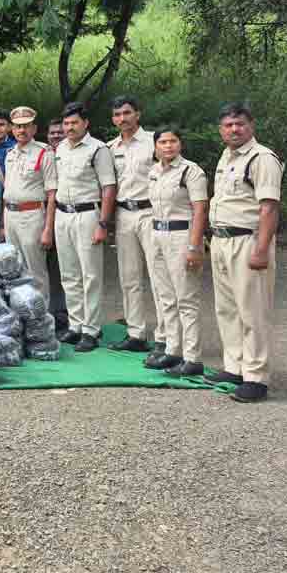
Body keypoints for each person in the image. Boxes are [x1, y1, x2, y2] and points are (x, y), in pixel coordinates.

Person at [206, 103, 283, 403]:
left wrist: (261, 249)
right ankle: (234, 366)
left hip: (248, 241)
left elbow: (269, 208)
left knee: (253, 311)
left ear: (251, 125)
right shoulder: (227, 157)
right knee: (227, 308)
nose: (234, 129)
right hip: (222, 240)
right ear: (221, 130)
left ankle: (256, 377)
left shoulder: (262, 158)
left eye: (239, 123)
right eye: (227, 125)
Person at [143, 130, 209, 377]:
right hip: (157, 234)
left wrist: (194, 246)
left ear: (180, 144)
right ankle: (172, 350)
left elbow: (200, 209)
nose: (168, 146)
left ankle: (192, 358)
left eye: (173, 141)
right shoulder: (154, 171)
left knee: (186, 298)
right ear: (156, 146)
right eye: (162, 142)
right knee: (165, 297)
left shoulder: (191, 171)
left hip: (182, 236)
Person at [53, 101, 117, 353]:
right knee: (69, 274)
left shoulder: (97, 149)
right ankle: (76, 324)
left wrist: (104, 223)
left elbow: (109, 187)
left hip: (87, 214)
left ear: (85, 123)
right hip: (62, 213)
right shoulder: (60, 149)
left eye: (74, 122)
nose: (69, 127)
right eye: (66, 123)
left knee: (90, 274)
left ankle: (91, 329)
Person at [105, 95, 162, 353]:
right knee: (129, 277)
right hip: (123, 215)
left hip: (151, 212)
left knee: (158, 275)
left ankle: (165, 336)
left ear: (137, 114)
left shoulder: (154, 142)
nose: (122, 119)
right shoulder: (110, 147)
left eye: (127, 113)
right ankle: (136, 333)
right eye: (117, 115)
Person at [1, 106, 57, 298]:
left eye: (26, 126)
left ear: (34, 129)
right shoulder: (10, 153)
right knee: (14, 269)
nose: (21, 130)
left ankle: (42, 321)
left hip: (32, 216)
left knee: (35, 271)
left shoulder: (44, 152)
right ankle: (23, 314)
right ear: (12, 129)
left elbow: (52, 194)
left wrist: (48, 229)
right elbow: (7, 191)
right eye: (17, 126)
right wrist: (3, 223)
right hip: (10, 216)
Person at [44, 118, 70, 331]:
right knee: (46, 268)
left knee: (65, 267)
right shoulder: (43, 154)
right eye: (52, 133)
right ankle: (49, 311)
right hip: (41, 217)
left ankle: (64, 313)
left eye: (59, 133)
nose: (56, 136)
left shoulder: (71, 154)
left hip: (67, 215)